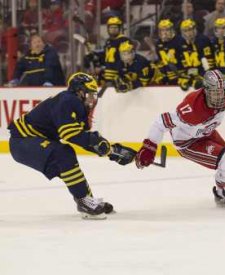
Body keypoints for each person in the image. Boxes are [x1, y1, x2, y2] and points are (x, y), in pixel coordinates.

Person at [134, 70, 225, 208]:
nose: (221, 98)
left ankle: (222, 193)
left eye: (223, 93)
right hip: (187, 142)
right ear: (206, 91)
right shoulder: (191, 108)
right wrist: (149, 148)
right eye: (215, 93)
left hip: (206, 132)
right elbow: (161, 122)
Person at [8, 72, 136, 219]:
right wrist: (103, 146)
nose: (92, 99)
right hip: (23, 141)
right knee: (63, 154)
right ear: (79, 91)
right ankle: (84, 202)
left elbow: (81, 138)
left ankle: (87, 201)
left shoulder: (73, 103)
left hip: (27, 142)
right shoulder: (68, 100)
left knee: (65, 158)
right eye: (89, 94)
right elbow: (71, 135)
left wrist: (112, 152)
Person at [84, 17, 130, 83]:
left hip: (118, 74)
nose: (113, 30)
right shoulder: (109, 41)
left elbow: (124, 60)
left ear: (120, 28)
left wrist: (102, 68)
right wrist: (94, 54)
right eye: (111, 28)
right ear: (108, 29)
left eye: (115, 27)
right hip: (108, 73)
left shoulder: (124, 40)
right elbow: (106, 55)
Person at [177, 19, 215, 91]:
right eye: (185, 31)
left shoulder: (203, 40)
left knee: (199, 85)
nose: (188, 33)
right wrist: (183, 76)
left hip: (202, 72)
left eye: (190, 30)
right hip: (190, 73)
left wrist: (205, 75)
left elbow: (208, 61)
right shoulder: (180, 42)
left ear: (195, 29)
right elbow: (181, 61)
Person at [150, 19, 184, 85]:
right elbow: (162, 60)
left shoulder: (180, 41)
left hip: (180, 74)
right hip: (168, 75)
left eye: (167, 30)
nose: (165, 33)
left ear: (172, 30)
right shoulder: (159, 43)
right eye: (162, 30)